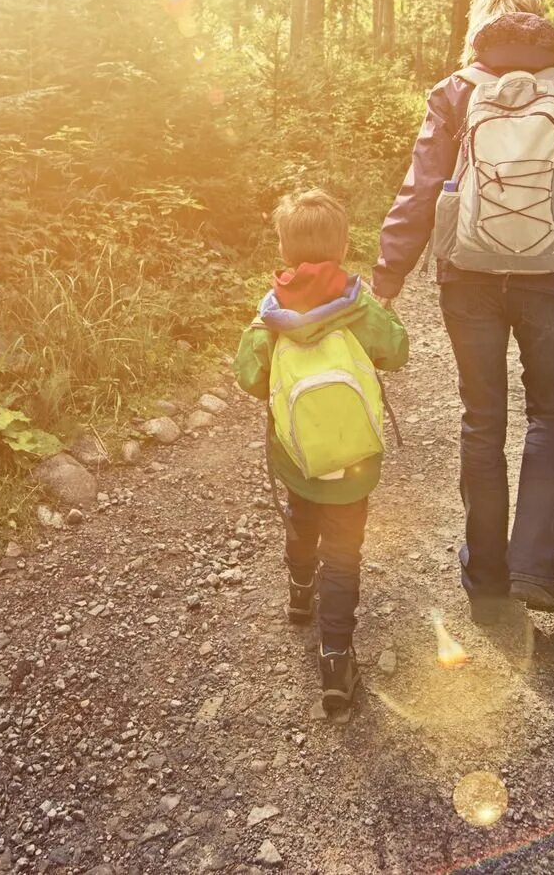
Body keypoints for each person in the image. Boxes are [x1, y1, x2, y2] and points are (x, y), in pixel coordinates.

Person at [373, 0, 554, 616]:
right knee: (549, 416)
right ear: (536, 27)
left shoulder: (455, 91)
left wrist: (386, 278)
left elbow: (421, 187)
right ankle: (535, 569)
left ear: (479, 29)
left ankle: (485, 572)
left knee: (481, 420)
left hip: (469, 274)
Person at [234, 188, 408, 714]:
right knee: (344, 552)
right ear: (342, 244)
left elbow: (249, 378)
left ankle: (298, 593)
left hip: (297, 455)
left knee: (300, 515)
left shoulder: (270, 315)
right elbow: (396, 351)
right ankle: (335, 657)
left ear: (283, 249)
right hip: (353, 460)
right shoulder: (359, 307)